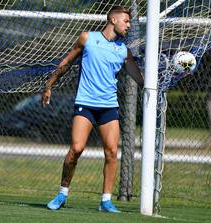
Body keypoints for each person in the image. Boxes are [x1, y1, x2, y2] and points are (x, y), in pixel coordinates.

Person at [42, 5, 144, 213]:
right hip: (86, 103)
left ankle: (105, 201)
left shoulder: (123, 50)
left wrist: (150, 86)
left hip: (109, 106)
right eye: (126, 21)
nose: (129, 25)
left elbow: (137, 75)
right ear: (113, 20)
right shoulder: (88, 38)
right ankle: (62, 193)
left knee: (112, 152)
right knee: (76, 149)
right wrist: (49, 85)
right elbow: (67, 62)